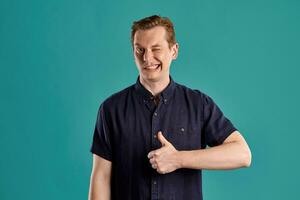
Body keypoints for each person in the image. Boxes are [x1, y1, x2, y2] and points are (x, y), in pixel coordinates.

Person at [88, 15, 251, 200]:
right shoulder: (111, 109)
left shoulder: (198, 104)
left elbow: (242, 154)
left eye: (155, 49)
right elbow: (101, 177)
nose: (147, 58)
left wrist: (178, 159)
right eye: (139, 50)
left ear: (174, 51)